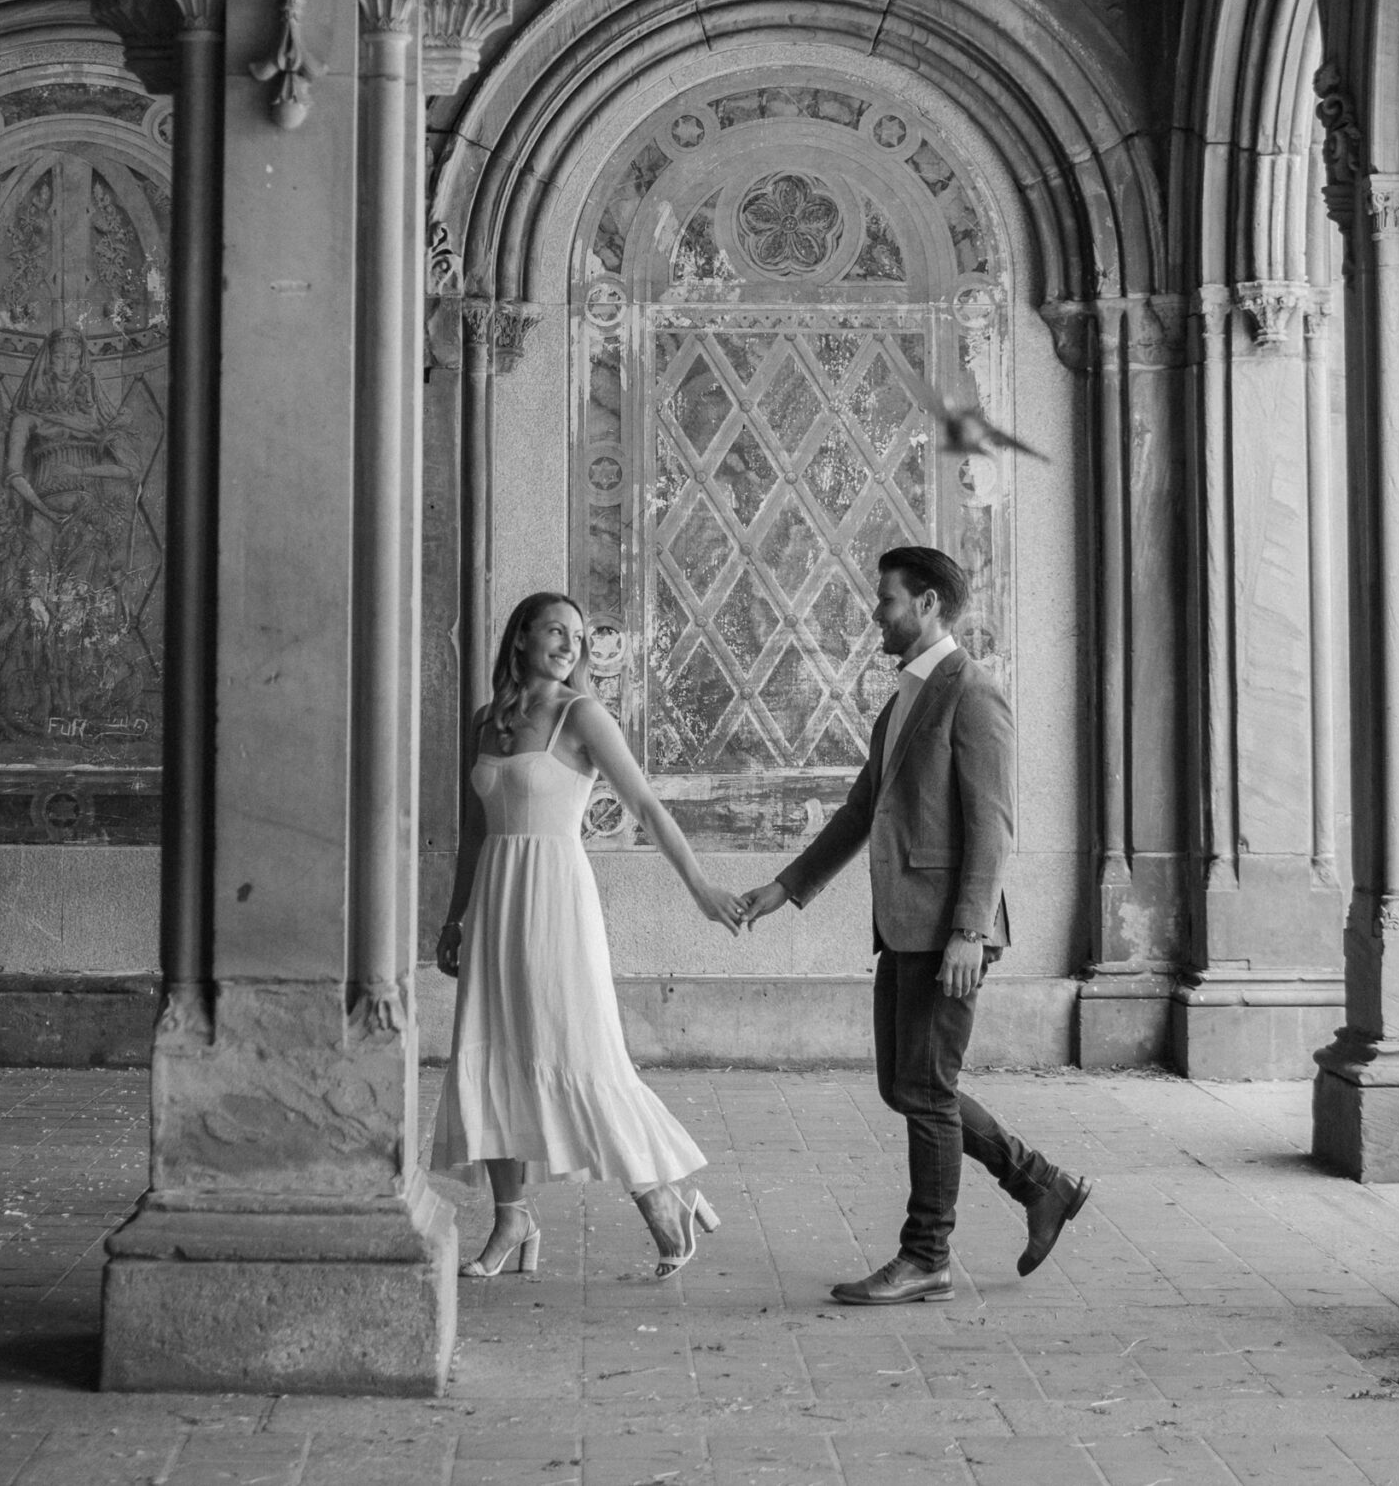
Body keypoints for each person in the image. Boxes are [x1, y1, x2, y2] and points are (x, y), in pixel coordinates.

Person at [740, 546, 1092, 1304]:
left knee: (925, 1089)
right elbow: (861, 813)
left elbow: (992, 825)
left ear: (927, 604)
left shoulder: (972, 693)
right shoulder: (901, 699)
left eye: (888, 600)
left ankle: (926, 1254)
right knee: (908, 1086)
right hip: (905, 925)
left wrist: (970, 929)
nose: (877, 612)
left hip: (948, 931)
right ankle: (1040, 1184)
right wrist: (785, 887)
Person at [431, 591, 750, 1280]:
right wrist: (456, 916)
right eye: (556, 630)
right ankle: (512, 1216)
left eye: (577, 635)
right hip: (494, 897)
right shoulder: (487, 720)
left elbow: (645, 803)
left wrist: (700, 890)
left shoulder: (583, 715)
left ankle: (666, 1199)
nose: (571, 643)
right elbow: (472, 833)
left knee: (581, 1052)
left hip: (556, 902)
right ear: (520, 638)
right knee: (491, 1050)